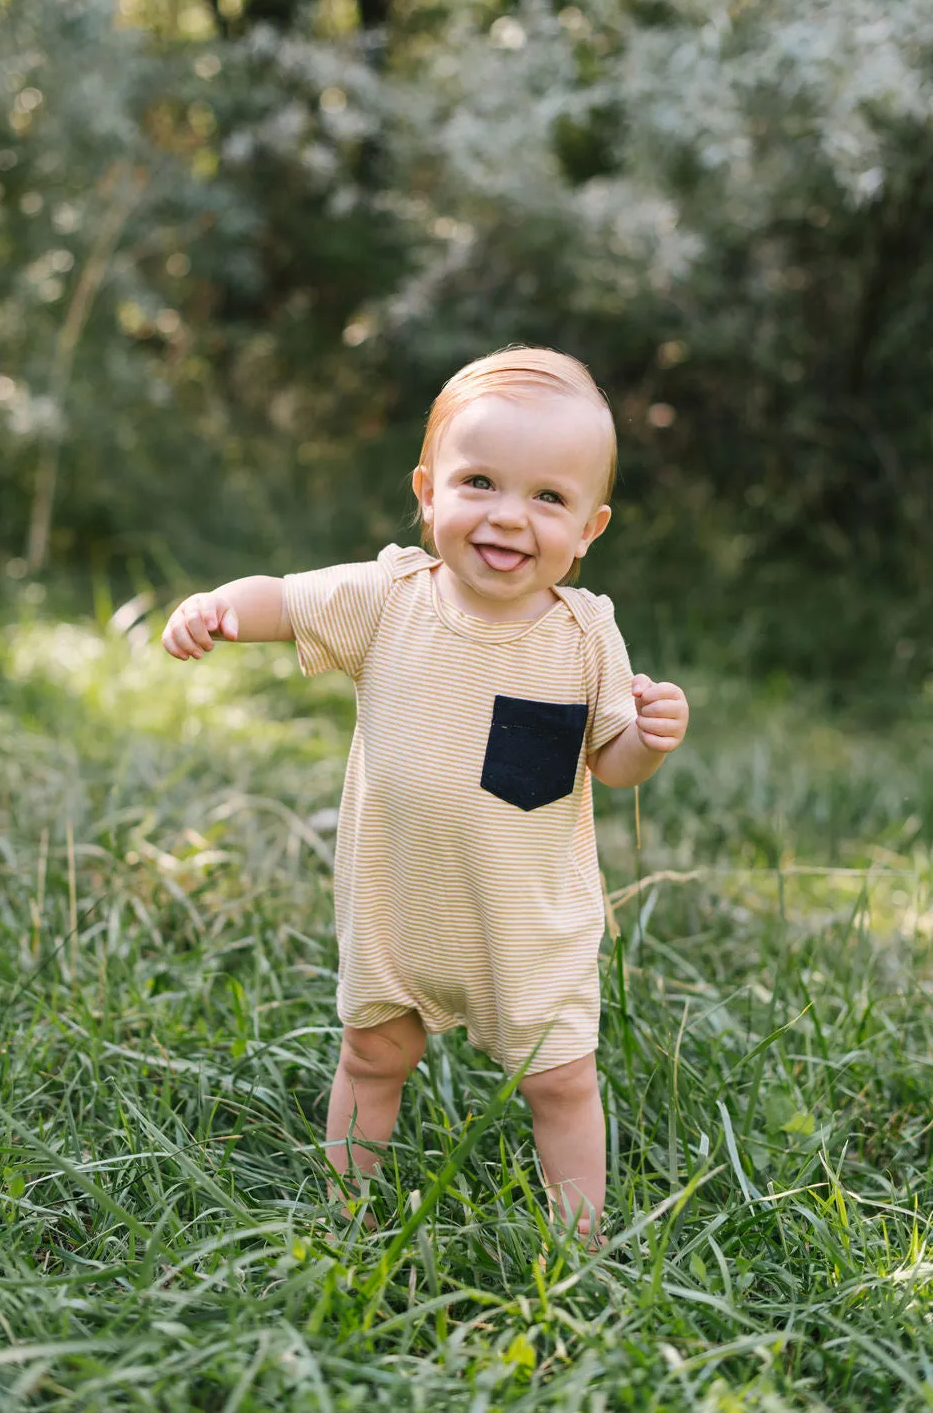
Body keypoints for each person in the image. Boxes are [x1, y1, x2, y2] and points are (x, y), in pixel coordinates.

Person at [162, 345, 689, 1244]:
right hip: (400, 905)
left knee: (559, 1078)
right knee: (372, 1056)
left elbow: (611, 762)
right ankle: (347, 1216)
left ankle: (582, 1243)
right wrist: (220, 607)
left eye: (548, 498)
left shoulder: (584, 636)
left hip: (528, 920)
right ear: (428, 489)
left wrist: (647, 738)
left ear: (590, 528)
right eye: (479, 481)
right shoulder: (388, 598)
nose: (508, 518)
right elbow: (284, 598)